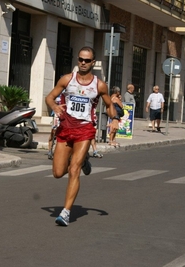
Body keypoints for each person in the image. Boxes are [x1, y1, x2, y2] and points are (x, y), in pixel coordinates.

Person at [45, 46, 118, 226]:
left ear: (93, 62)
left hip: (85, 129)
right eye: (81, 59)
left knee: (74, 170)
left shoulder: (99, 85)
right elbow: (50, 97)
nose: (83, 63)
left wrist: (114, 118)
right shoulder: (67, 80)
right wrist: (54, 107)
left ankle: (66, 212)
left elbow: (109, 104)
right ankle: (84, 160)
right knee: (57, 172)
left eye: (87, 60)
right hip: (65, 128)